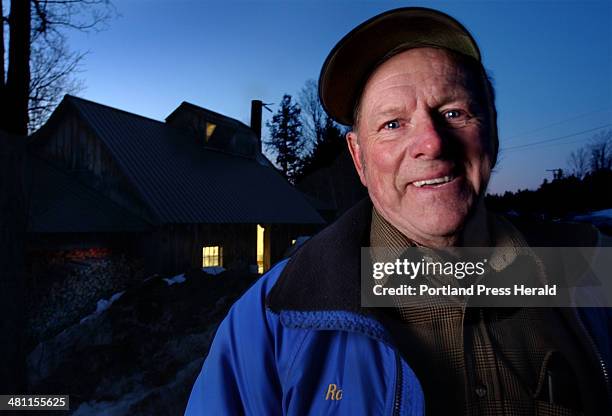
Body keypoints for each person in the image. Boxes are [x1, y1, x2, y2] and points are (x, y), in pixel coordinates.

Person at [185, 7, 611, 415]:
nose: (432, 143)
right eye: (392, 124)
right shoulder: (272, 318)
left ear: (493, 131)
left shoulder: (592, 272)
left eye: (454, 112)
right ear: (359, 158)